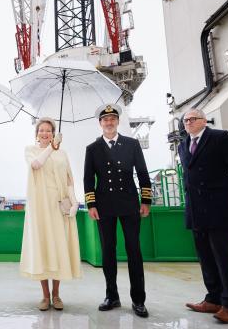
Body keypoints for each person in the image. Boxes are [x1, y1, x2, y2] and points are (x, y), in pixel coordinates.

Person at [83, 103, 152, 318]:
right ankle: (111, 296)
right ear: (100, 123)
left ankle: (138, 300)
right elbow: (88, 179)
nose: (109, 122)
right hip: (104, 207)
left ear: (118, 122)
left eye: (113, 119)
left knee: (134, 251)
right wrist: (91, 205)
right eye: (105, 120)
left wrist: (146, 200)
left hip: (129, 204)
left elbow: (142, 173)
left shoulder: (131, 144)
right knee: (108, 252)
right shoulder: (92, 149)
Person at [178, 108, 228, 324]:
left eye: (192, 119)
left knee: (224, 258)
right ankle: (213, 298)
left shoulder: (220, 138)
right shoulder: (183, 144)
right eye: (185, 120)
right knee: (205, 257)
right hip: (196, 210)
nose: (188, 122)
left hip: (218, 209)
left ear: (204, 120)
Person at [20, 117, 82, 311]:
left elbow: (69, 180)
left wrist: (74, 201)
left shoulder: (63, 154)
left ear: (53, 133)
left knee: (58, 247)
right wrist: (51, 148)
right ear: (37, 133)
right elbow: (36, 165)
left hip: (58, 207)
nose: (45, 133)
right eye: (42, 130)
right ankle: (45, 296)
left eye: (48, 130)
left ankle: (56, 294)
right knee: (43, 247)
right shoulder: (30, 150)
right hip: (40, 207)